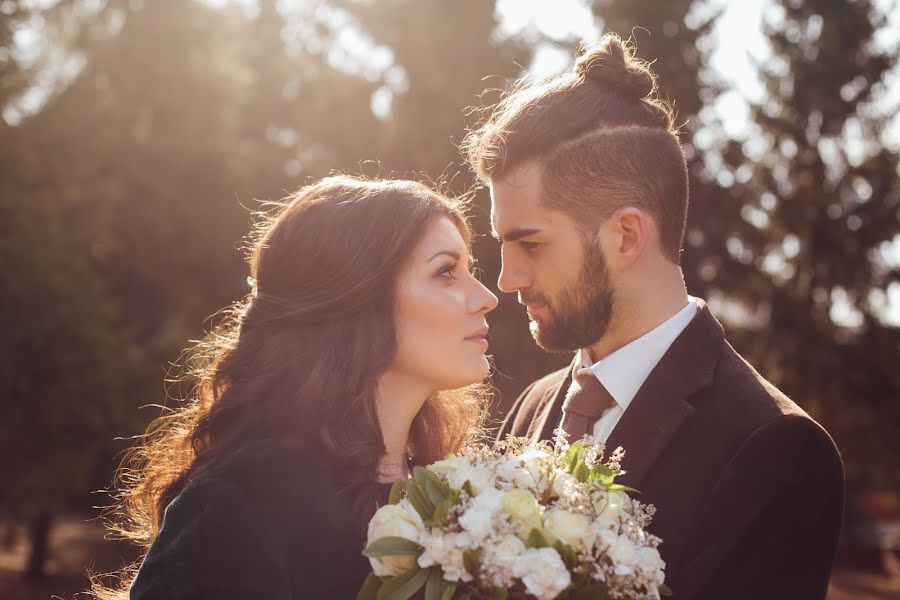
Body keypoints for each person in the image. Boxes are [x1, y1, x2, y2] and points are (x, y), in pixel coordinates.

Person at [463, 34, 844, 599]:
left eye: (531, 245)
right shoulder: (532, 408)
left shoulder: (776, 451)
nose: (506, 279)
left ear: (626, 235)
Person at [90, 176, 498, 600]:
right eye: (446, 271)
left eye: (470, 270)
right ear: (355, 297)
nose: (486, 296)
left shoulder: (447, 493)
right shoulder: (246, 498)